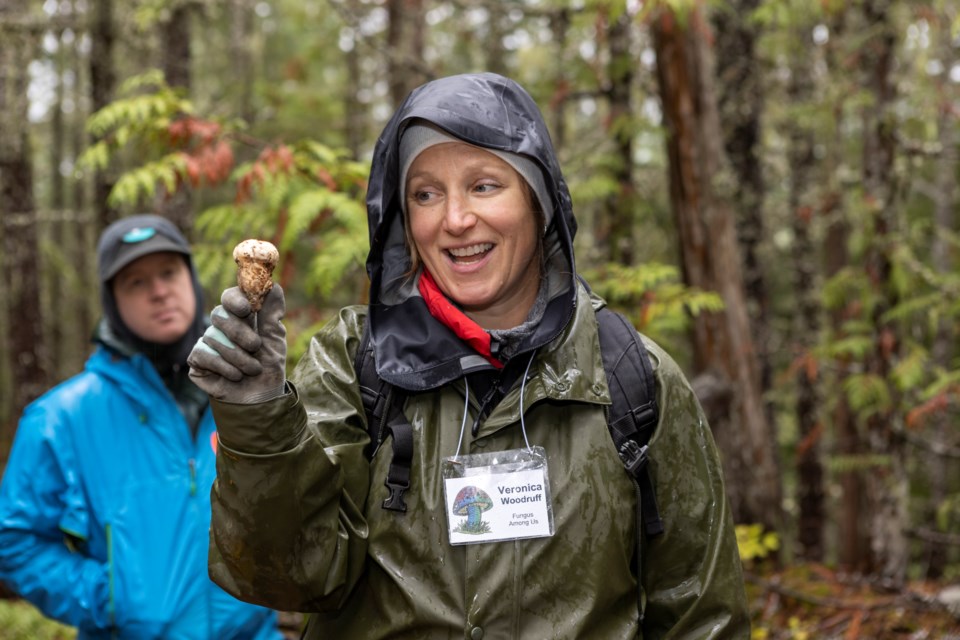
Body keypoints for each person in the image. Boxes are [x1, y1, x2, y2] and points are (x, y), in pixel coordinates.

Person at [187, 73, 750, 638]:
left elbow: (702, 619)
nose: (454, 219)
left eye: (483, 185)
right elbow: (288, 578)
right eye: (425, 193)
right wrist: (259, 422)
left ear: (538, 200)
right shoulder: (355, 363)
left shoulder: (631, 378)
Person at [0, 214, 282, 639]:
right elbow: (16, 541)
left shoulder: (245, 393)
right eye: (135, 281)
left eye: (169, 272)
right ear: (111, 300)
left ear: (190, 278)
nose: (158, 291)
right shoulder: (61, 419)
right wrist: (109, 595)